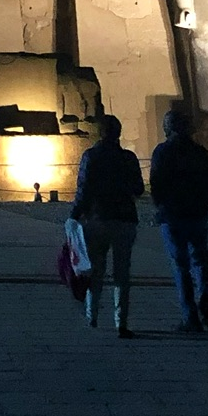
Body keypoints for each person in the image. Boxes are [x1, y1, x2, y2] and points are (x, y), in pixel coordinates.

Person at [150, 106, 208, 332]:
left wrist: (162, 204)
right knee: (201, 263)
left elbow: (156, 184)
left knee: (180, 266)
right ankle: (207, 310)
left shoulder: (163, 152)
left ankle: (190, 315)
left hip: (173, 215)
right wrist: (200, 198)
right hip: (197, 213)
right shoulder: (199, 152)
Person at [72, 114, 144, 335]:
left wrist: (74, 214)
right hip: (124, 219)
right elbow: (139, 189)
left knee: (96, 271)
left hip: (98, 218)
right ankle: (121, 322)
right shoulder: (128, 158)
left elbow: (83, 189)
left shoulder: (91, 156)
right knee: (122, 274)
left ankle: (92, 316)